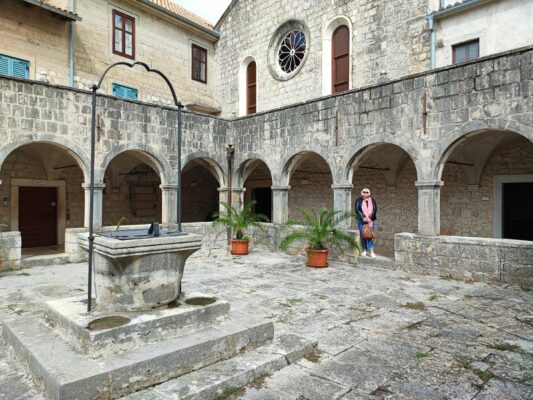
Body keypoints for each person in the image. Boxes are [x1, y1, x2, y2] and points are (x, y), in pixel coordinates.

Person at [355, 188, 377, 258]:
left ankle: (371, 251)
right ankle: (364, 250)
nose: (365, 193)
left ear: (369, 193)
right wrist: (363, 218)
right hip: (361, 220)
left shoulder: (372, 200)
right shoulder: (359, 200)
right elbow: (357, 209)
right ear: (361, 192)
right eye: (363, 192)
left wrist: (369, 218)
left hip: (370, 220)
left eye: (367, 192)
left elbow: (375, 209)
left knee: (370, 235)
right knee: (363, 235)